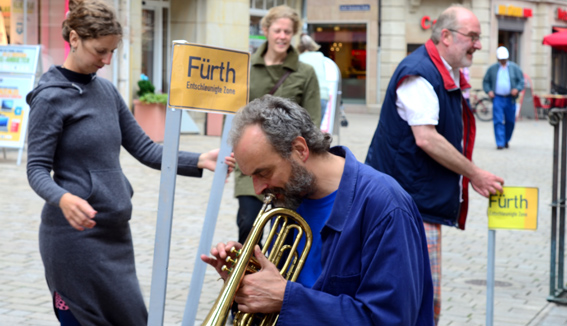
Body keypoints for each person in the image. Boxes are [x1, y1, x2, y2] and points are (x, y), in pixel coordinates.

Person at [25, 1, 234, 325]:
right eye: (100, 51)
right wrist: (63, 198)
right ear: (75, 38)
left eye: (113, 51)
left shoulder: (106, 91)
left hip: (114, 235)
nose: (107, 60)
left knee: (133, 319)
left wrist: (198, 159)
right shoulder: (50, 97)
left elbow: (146, 150)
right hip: (72, 237)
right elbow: (36, 168)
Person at [202, 95, 434, 325]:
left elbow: (391, 319)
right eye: (251, 175)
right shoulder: (290, 197)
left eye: (263, 173)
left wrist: (287, 298)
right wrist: (246, 280)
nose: (258, 188)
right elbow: (274, 299)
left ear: (300, 149)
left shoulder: (386, 206)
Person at [365, 5, 504, 325]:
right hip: (405, 205)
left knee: (423, 298)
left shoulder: (442, 69)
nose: (479, 44)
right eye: (473, 37)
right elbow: (426, 138)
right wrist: (475, 174)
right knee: (420, 300)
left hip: (416, 199)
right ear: (445, 36)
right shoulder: (420, 71)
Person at [234, 5, 320, 252]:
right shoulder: (247, 69)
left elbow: (312, 122)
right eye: (278, 30)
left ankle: (279, 285)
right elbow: (235, 116)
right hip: (251, 164)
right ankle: (247, 283)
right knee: (248, 224)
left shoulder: (305, 73)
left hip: (287, 165)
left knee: (284, 234)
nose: (282, 36)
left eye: (288, 32)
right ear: (266, 30)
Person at [482, 46, 524, 149]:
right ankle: (500, 143)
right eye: (501, 59)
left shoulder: (515, 68)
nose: (503, 61)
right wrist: (489, 91)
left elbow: (521, 81)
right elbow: (486, 81)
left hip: (510, 98)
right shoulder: (492, 69)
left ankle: (506, 140)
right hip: (498, 98)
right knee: (498, 121)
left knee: (510, 121)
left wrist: (517, 89)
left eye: (504, 59)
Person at [297, 33, 330, 118]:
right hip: (323, 95)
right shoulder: (320, 56)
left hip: (307, 98)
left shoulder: (299, 58)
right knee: (316, 128)